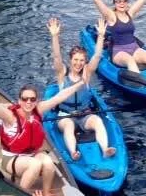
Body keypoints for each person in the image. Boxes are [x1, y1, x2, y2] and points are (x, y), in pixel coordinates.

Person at [0, 80, 85, 194]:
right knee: (35, 164)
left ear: (36, 101)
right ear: (19, 100)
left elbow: (59, 97)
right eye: (25, 99)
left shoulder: (38, 110)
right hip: (12, 159)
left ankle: (46, 193)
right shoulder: (10, 116)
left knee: (48, 163)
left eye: (32, 99)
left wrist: (80, 83)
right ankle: (22, 194)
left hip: (32, 155)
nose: (28, 102)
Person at [48, 16, 115, 161]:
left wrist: (101, 36)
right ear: (71, 60)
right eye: (76, 60)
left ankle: (105, 149)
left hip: (84, 115)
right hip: (65, 116)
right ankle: (73, 152)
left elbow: (97, 56)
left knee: (97, 121)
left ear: (85, 62)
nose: (78, 63)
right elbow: (57, 57)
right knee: (68, 127)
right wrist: (55, 36)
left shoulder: (87, 73)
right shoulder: (62, 73)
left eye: (81, 60)